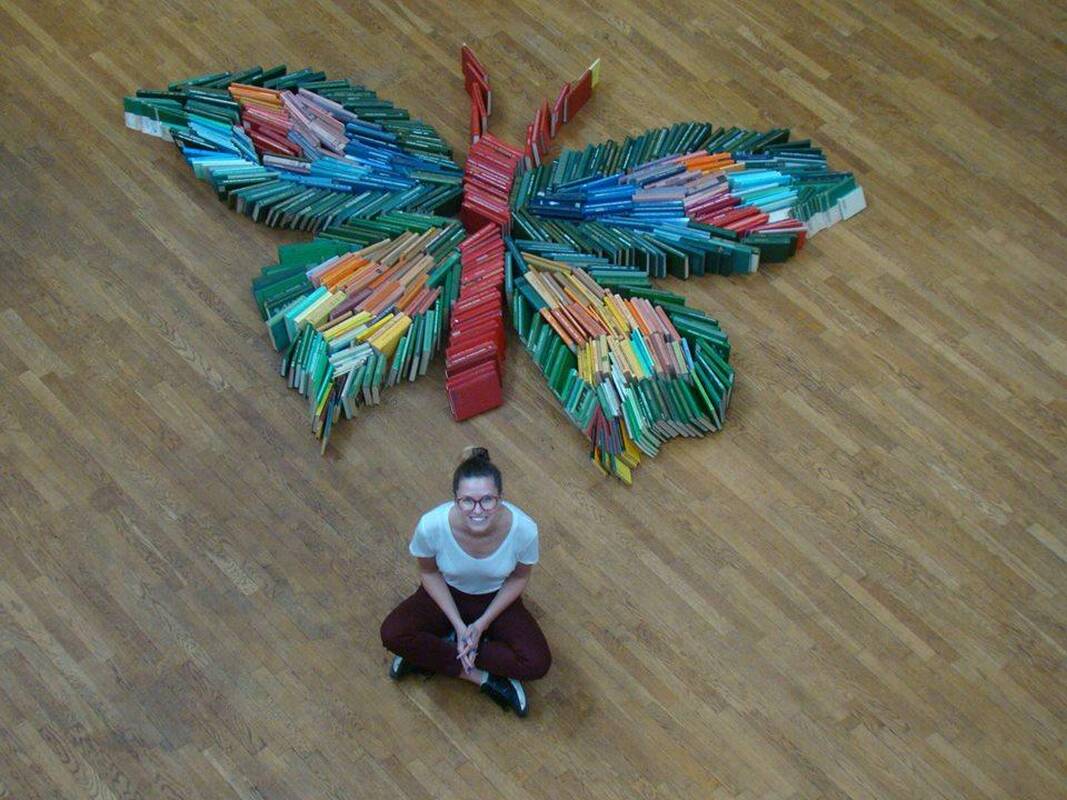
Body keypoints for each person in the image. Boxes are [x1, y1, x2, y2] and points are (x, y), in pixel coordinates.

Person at [380, 447, 551, 716]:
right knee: (392, 633)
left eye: (488, 500)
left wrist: (481, 625)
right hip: (446, 593)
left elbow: (519, 577)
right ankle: (483, 679)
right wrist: (459, 625)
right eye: (468, 501)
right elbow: (429, 573)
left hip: (494, 598)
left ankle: (430, 652)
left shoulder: (524, 529)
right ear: (455, 500)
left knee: (537, 662)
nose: (478, 510)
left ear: (501, 498)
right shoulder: (431, 526)